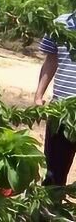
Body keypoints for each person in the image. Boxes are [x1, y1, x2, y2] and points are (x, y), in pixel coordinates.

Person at [34, 13, 76, 186]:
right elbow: (51, 60)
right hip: (61, 110)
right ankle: (48, 211)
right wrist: (38, 95)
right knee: (54, 172)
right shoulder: (60, 23)